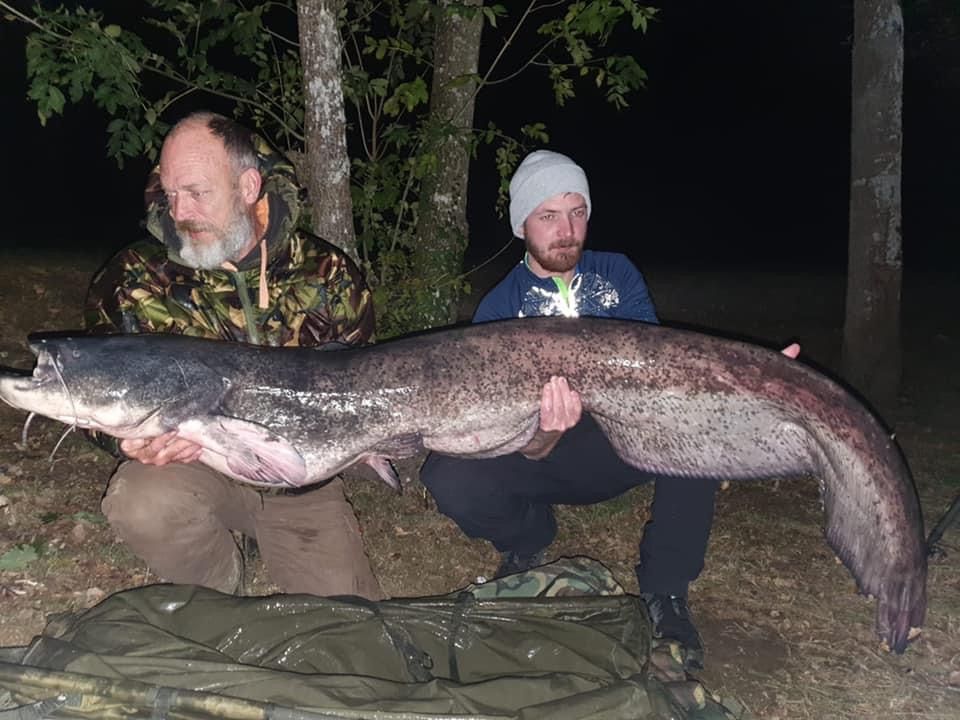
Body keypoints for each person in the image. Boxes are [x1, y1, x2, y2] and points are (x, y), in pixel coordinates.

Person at [420, 149, 799, 670]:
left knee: (697, 434)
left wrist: (750, 381)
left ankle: (666, 589)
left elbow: (661, 370)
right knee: (446, 475)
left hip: (625, 441)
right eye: (548, 216)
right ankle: (527, 539)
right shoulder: (498, 313)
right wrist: (546, 434)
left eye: (577, 212)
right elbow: (514, 441)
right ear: (522, 224)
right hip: (546, 456)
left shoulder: (616, 274)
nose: (567, 230)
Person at [83, 111, 383, 600]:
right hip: (195, 466)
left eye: (197, 193)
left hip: (298, 484)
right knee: (140, 503)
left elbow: (364, 385)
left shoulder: (327, 274)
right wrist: (123, 443)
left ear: (248, 186)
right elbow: (93, 387)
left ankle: (283, 541)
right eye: (170, 194)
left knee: (349, 616)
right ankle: (220, 590)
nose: (180, 212)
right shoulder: (134, 276)